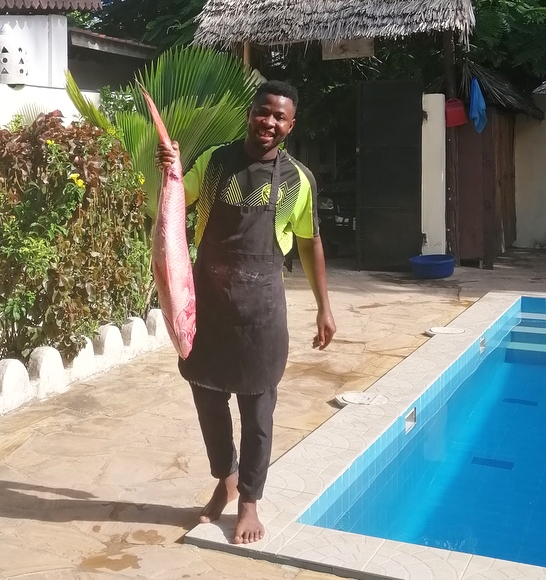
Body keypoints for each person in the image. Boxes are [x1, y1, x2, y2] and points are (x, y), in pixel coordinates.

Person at [156, 80, 336, 545]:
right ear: (250, 112)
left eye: (280, 117)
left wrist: (324, 307)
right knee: (206, 395)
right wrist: (170, 170)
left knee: (258, 408)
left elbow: (310, 242)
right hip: (208, 302)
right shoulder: (215, 162)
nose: (269, 122)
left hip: (261, 307)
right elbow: (177, 201)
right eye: (263, 112)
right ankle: (227, 478)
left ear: (291, 125)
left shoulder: (298, 179)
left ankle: (250, 501)